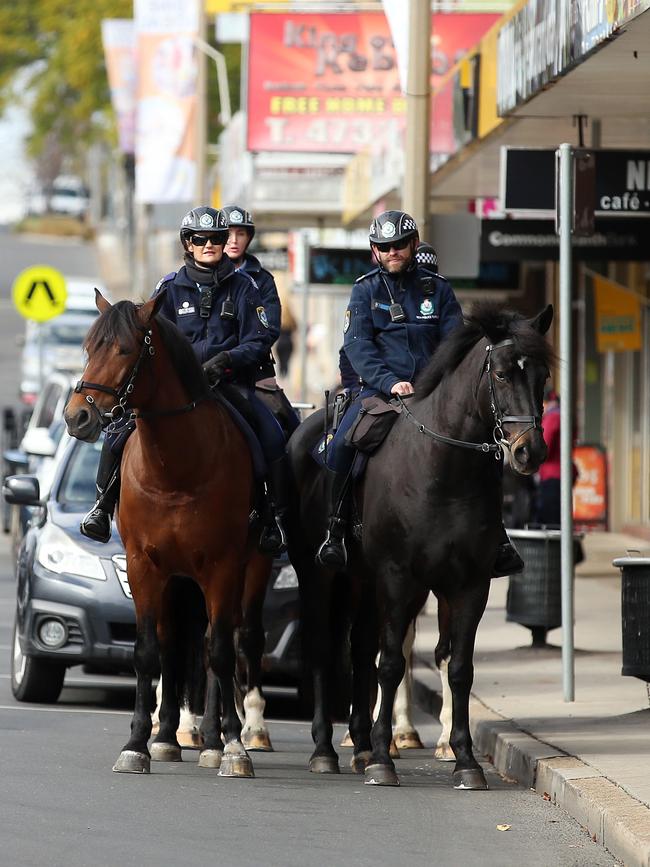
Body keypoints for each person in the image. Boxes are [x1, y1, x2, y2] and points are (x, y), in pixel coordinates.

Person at [316, 209, 524, 577]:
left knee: (484, 448)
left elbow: (455, 342)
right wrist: (388, 381)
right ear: (374, 250)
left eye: (399, 245)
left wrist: (436, 381)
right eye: (384, 246)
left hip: (433, 392)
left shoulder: (438, 289)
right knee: (341, 446)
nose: (392, 252)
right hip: (379, 392)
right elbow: (358, 346)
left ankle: (500, 537)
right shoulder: (364, 290)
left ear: (413, 245)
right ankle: (335, 531)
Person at [80, 205, 290, 556]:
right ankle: (101, 507)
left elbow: (259, 338)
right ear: (187, 244)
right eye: (200, 239)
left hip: (228, 384)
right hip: (177, 388)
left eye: (217, 239)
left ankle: (272, 519)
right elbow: (150, 339)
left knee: (270, 434)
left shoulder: (246, 287)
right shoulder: (168, 288)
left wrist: (227, 360)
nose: (209, 245)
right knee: (117, 435)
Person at [222, 203, 299, 435]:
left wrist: (232, 358)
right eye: (227, 234)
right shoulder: (200, 277)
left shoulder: (263, 281)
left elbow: (269, 330)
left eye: (241, 234)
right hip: (202, 372)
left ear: (249, 238)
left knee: (287, 429)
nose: (233, 240)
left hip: (253, 374)